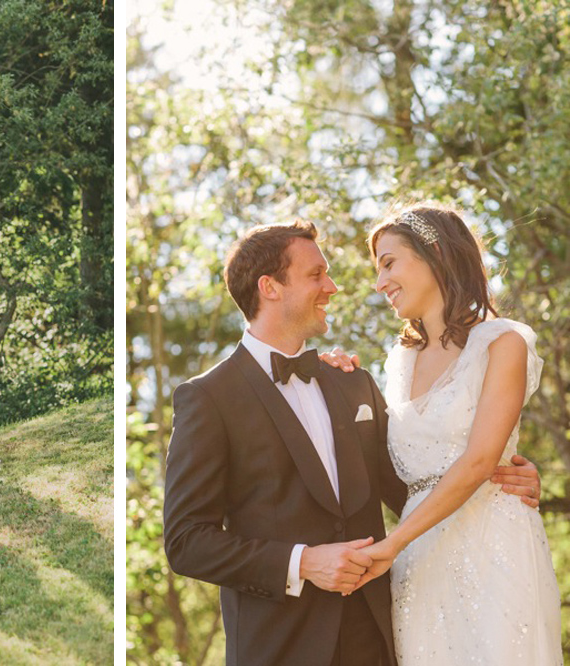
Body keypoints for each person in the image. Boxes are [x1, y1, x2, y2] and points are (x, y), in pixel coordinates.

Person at [162, 220, 542, 665]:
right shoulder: (209, 398)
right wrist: (302, 562)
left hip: (379, 637)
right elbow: (187, 542)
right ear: (270, 287)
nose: (333, 286)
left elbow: (413, 485)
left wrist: (499, 484)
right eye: (316, 275)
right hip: (280, 645)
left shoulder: (352, 383)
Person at [335, 205, 561, 664]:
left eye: (388, 262)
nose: (380, 283)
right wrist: (334, 378)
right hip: (420, 561)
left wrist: (392, 544)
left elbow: (480, 461)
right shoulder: (398, 362)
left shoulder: (503, 343)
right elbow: (382, 462)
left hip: (493, 543)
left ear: (434, 252)